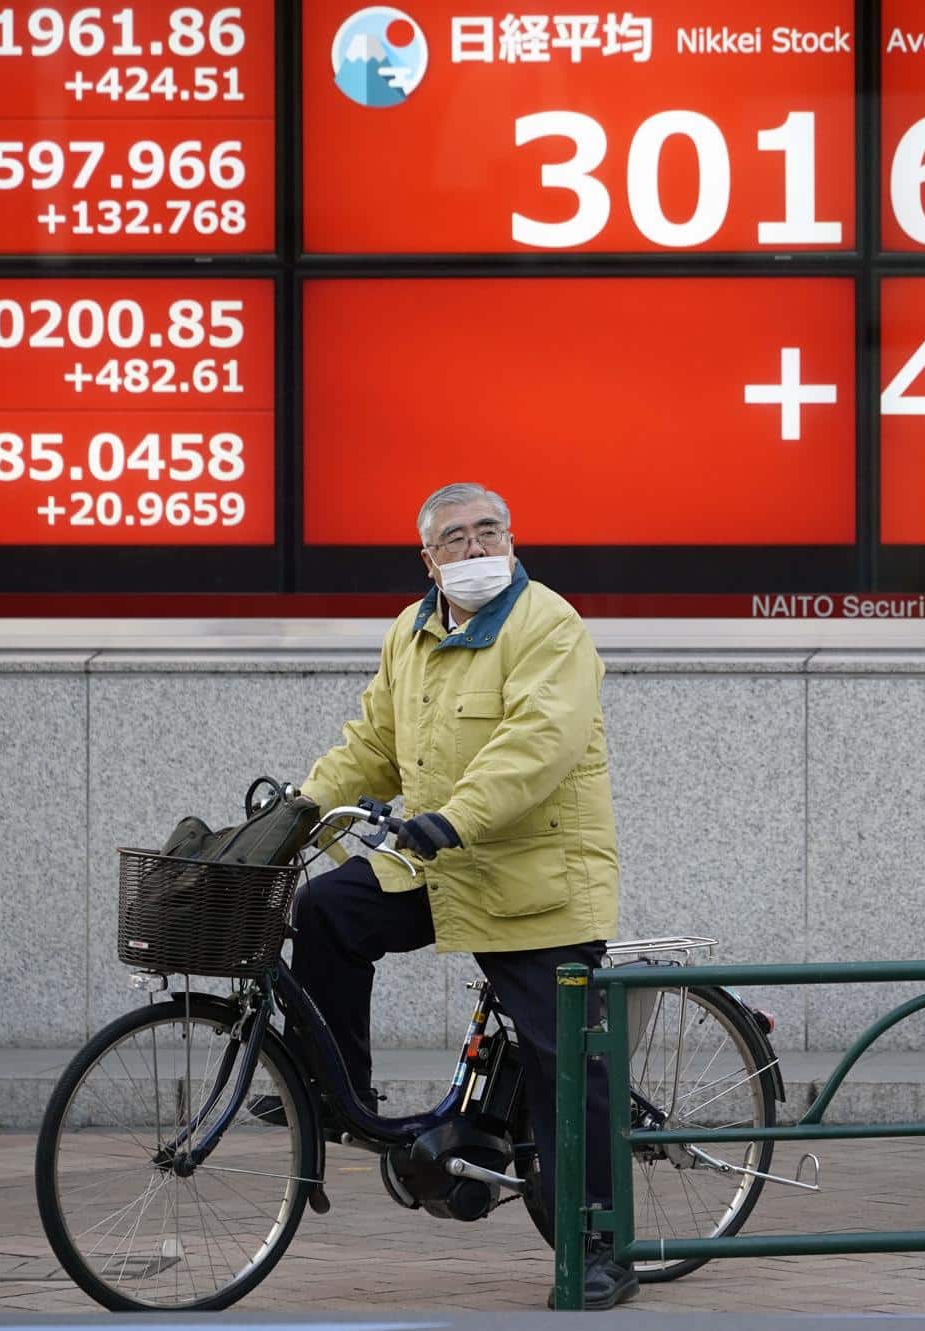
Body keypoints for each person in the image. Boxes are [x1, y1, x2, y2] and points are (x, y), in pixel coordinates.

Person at [290, 481, 633, 1309]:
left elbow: (537, 743)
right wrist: (297, 814)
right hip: (440, 861)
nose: (476, 550)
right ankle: (339, 1094)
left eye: (490, 533)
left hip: (534, 871)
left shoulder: (547, 622)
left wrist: (453, 817)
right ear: (428, 558)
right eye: (456, 539)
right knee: (328, 908)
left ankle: (600, 1240)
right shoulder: (411, 632)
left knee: (563, 1056)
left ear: (512, 539)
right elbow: (371, 742)